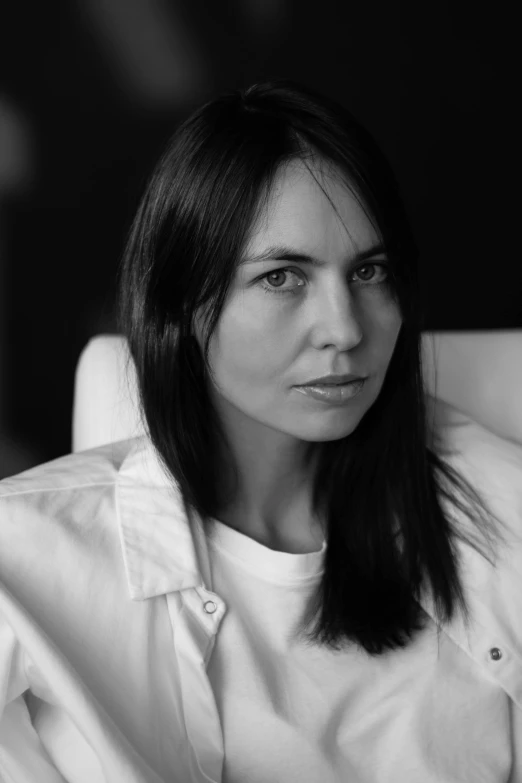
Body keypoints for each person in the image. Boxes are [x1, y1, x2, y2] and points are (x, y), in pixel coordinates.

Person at [1, 80, 521, 783]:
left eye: (370, 270)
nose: (345, 330)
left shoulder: (497, 509)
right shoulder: (29, 552)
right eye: (283, 277)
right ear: (180, 301)